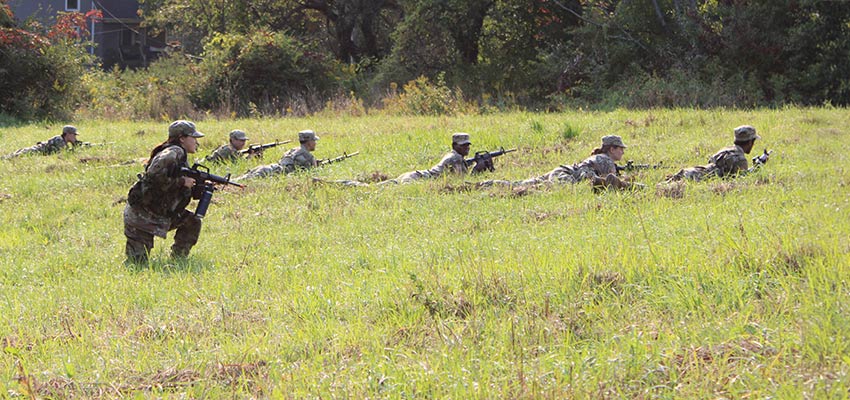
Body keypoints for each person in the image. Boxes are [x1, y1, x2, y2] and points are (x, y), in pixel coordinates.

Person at [123, 120, 205, 264]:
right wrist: (182, 182)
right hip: (142, 216)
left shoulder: (179, 156)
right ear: (182, 138)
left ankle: (178, 261)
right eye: (194, 138)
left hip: (160, 213)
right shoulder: (173, 152)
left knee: (192, 222)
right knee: (137, 264)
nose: (196, 143)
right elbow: (153, 177)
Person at [479, 135, 641, 190]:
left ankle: (486, 184)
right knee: (538, 189)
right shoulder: (606, 160)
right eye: (620, 148)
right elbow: (609, 182)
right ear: (611, 149)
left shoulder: (600, 158)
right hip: (565, 176)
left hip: (562, 171)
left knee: (519, 184)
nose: (622, 151)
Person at [381, 132, 489, 184]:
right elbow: (462, 182)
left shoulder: (454, 156)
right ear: (454, 146)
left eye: (468, 145)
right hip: (416, 178)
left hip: (412, 175)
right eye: (463, 145)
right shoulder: (456, 158)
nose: (467, 148)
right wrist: (477, 169)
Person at [666, 125, 762, 182]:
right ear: (750, 142)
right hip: (697, 178)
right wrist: (757, 168)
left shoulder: (726, 150)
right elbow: (739, 179)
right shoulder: (740, 159)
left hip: (691, 171)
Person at [234, 130, 319, 180]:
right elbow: (311, 175)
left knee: (239, 179)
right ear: (309, 142)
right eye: (314, 141)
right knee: (238, 181)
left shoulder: (293, 150)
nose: (315, 143)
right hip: (272, 173)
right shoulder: (308, 157)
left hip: (268, 168)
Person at [3, 125, 80, 159]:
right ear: (68, 134)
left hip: (35, 152)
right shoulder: (59, 140)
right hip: (34, 151)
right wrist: (76, 147)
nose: (75, 137)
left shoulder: (63, 142)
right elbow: (63, 154)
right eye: (74, 135)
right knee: (11, 157)